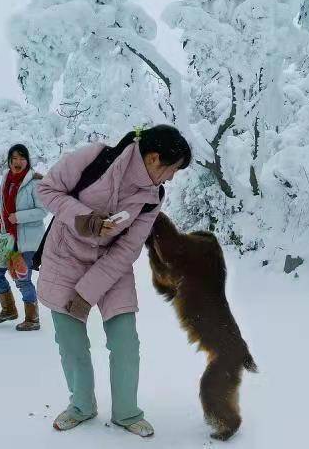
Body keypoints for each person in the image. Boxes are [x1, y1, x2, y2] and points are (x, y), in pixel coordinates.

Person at [37, 125, 191, 437]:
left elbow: (128, 248)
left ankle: (126, 413)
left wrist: (88, 291)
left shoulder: (153, 197)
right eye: (172, 169)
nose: (171, 178)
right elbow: (46, 190)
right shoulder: (95, 157)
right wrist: (83, 217)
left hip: (111, 263)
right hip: (64, 256)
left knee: (125, 342)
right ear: (153, 158)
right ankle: (81, 406)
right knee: (71, 343)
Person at [0, 144, 46, 331]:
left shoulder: (35, 182)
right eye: (14, 158)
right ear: (9, 160)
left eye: (21, 158)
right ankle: (9, 309)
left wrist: (19, 217)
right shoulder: (7, 180)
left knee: (22, 279)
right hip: (7, 239)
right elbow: (3, 207)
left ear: (27, 160)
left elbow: (43, 210)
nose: (17, 162)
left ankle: (32, 319)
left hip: (27, 241)